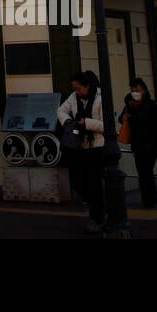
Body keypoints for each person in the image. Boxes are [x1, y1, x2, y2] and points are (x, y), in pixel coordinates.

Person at [57, 70, 106, 233]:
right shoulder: (74, 98)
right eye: (75, 88)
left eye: (79, 88)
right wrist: (69, 122)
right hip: (80, 146)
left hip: (97, 146)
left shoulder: (101, 97)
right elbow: (61, 110)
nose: (77, 92)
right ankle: (98, 208)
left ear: (87, 85)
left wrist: (87, 123)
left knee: (94, 183)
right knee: (78, 182)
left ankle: (97, 217)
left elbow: (106, 125)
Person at [119, 78, 157, 209]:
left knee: (146, 171)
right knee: (144, 172)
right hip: (138, 144)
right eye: (133, 89)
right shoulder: (130, 104)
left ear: (143, 90)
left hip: (150, 144)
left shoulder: (150, 104)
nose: (135, 92)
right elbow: (122, 118)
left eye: (137, 89)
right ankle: (150, 198)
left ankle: (150, 198)